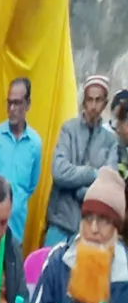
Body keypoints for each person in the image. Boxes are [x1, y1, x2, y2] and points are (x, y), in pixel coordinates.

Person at [32, 167, 128, 303]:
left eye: (103, 221)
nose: (93, 229)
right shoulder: (59, 261)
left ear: (117, 229)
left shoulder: (124, 275)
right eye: (87, 218)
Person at [47, 74, 117, 247]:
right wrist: (92, 173)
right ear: (83, 101)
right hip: (60, 223)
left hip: (91, 230)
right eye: (89, 100)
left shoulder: (110, 141)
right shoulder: (68, 130)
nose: (93, 106)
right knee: (47, 270)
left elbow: (107, 187)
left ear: (105, 104)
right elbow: (59, 171)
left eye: (98, 100)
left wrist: (78, 189)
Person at [0, 77, 42, 243]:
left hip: (16, 228)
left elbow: (31, 186)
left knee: (11, 268)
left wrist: (17, 203)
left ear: (28, 105)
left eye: (18, 103)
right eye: (9, 103)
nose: (12, 109)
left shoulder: (35, 144)